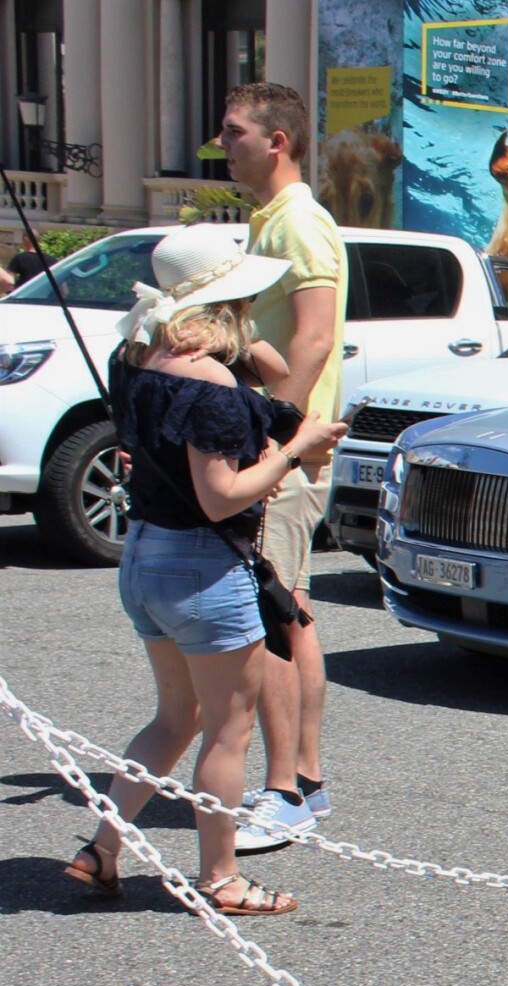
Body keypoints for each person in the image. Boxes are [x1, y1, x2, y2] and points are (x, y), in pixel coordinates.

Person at [61, 226, 346, 915]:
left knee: (174, 716)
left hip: (145, 557)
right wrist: (293, 449)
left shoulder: (138, 353)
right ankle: (221, 877)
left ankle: (101, 849)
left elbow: (274, 370)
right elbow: (222, 495)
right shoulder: (212, 383)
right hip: (203, 567)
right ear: (227, 295)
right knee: (227, 727)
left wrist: (237, 335)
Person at [222, 81, 347, 854]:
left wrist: (278, 432)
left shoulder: (300, 223)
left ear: (277, 140)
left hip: (282, 449)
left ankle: (286, 790)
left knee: (273, 617)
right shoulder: (272, 221)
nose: (223, 143)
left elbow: (314, 338)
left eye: (235, 132)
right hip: (280, 443)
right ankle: (305, 779)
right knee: (288, 610)